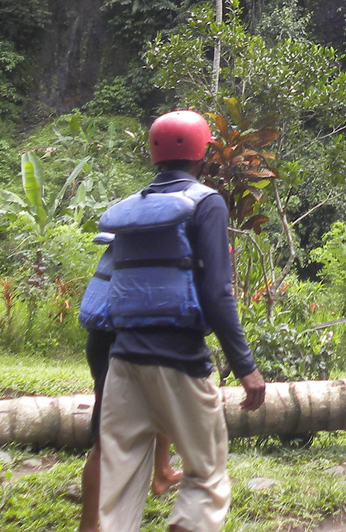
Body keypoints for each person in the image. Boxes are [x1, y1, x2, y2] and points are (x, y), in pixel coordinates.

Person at [94, 110, 267, 532]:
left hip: (124, 361)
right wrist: (246, 368)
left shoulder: (134, 208)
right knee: (207, 478)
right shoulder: (206, 202)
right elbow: (216, 293)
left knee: (115, 491)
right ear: (203, 154)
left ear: (154, 156)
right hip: (180, 359)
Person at [77, 323, 179, 532]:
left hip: (115, 341)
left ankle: (162, 468)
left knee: (164, 401)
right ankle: (88, 526)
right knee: (103, 443)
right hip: (116, 344)